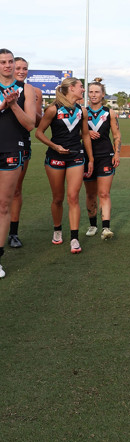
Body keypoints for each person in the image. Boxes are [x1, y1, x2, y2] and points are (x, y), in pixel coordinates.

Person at [35, 77, 94, 253]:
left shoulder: (82, 111)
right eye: (81, 87)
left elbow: (85, 135)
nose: (83, 90)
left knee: (73, 197)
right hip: (55, 157)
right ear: (71, 89)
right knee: (58, 198)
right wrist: (54, 146)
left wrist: (90, 159)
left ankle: (74, 239)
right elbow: (39, 133)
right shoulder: (53, 109)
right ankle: (57, 229)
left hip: (76, 156)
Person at [0, 49, 37, 277]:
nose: (7, 65)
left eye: (10, 61)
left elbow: (30, 124)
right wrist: (3, 105)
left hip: (11, 150)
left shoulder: (27, 90)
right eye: (2, 62)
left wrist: (13, 105)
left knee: (3, 205)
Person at [9, 57, 43, 248]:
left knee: (15, 189)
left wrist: (33, 110)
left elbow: (35, 122)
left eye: (25, 68)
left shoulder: (32, 91)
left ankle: (13, 232)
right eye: (18, 67)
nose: (21, 71)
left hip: (21, 142)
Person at [84, 78, 121, 240]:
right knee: (91, 194)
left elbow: (117, 135)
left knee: (104, 193)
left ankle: (106, 228)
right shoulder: (82, 112)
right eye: (91, 92)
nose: (93, 95)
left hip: (106, 156)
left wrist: (117, 153)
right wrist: (85, 133)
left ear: (103, 94)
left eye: (96, 92)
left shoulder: (109, 112)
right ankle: (93, 225)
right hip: (86, 157)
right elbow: (74, 132)